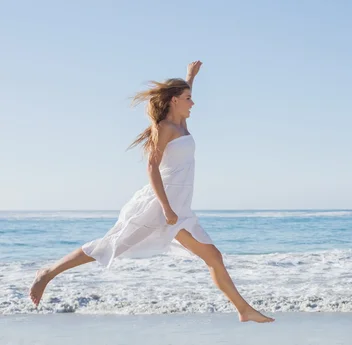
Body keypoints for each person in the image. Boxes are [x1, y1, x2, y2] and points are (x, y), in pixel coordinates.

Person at [29, 61, 275, 323]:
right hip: (161, 206)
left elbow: (182, 93)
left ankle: (242, 310)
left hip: (181, 207)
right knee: (111, 245)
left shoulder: (180, 121)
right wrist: (166, 208)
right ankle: (48, 273)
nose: (193, 103)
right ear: (174, 101)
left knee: (214, 256)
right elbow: (151, 167)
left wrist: (190, 77)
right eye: (188, 99)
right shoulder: (165, 128)